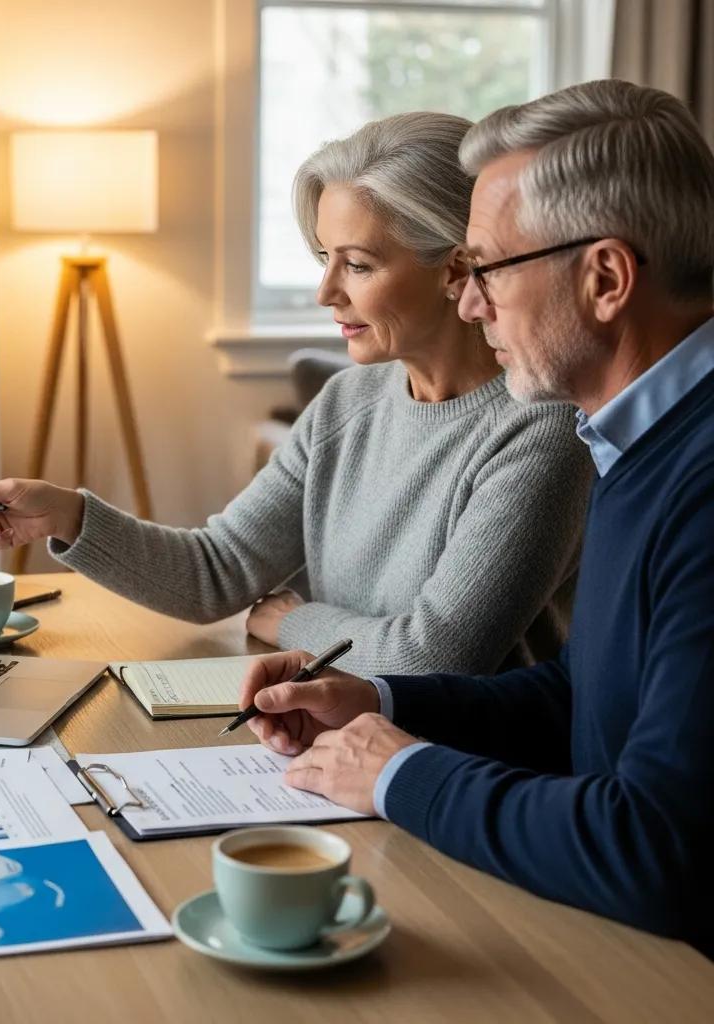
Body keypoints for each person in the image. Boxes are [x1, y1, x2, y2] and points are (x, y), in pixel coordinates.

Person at [240, 79, 714, 955]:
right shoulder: (632, 436)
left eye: (489, 268)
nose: (468, 301)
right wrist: (379, 699)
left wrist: (400, 772)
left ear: (606, 278)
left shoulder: (698, 477)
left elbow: (658, 847)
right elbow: (585, 695)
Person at [0, 112, 593, 679]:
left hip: (452, 766)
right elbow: (216, 571)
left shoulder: (543, 430)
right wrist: (66, 514)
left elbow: (432, 657)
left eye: (358, 265)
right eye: (325, 258)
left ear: (455, 270)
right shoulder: (348, 401)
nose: (326, 292)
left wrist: (294, 622)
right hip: (332, 734)